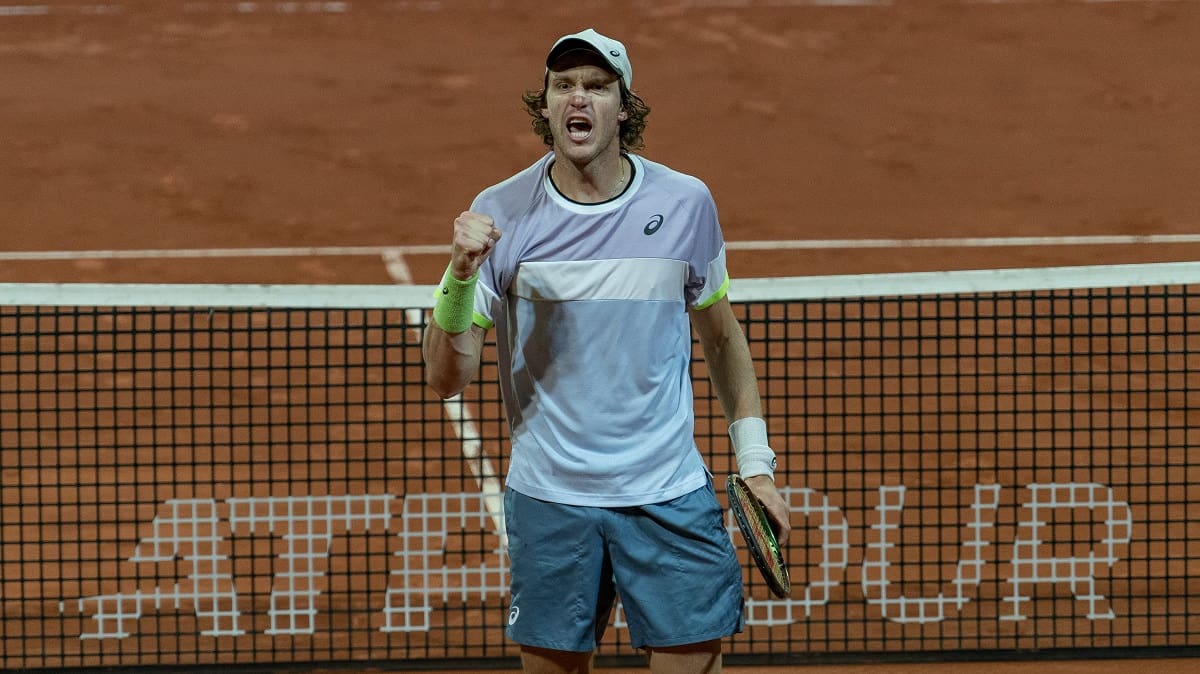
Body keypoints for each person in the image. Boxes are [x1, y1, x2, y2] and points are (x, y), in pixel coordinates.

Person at [422, 28, 790, 674]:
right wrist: (457, 277)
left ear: (625, 107)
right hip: (551, 499)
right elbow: (446, 377)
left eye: (596, 86)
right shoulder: (500, 213)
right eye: (563, 86)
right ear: (545, 106)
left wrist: (755, 462)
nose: (578, 99)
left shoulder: (685, 206)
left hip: (667, 494)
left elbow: (724, 339)